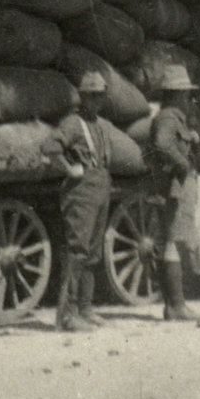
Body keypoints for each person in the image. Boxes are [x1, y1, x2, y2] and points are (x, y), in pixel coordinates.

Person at [42, 71, 115, 331]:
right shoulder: (73, 123)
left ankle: (85, 308)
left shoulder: (100, 124)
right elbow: (50, 147)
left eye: (100, 96)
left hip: (100, 188)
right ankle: (67, 315)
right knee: (77, 251)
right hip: (81, 192)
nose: (96, 100)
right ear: (83, 97)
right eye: (91, 96)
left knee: (93, 252)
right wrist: (69, 169)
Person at [146, 64, 200, 322]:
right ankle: (177, 306)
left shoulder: (172, 118)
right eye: (186, 94)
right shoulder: (169, 118)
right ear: (178, 94)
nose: (189, 99)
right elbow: (162, 143)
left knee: (170, 242)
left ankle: (172, 306)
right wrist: (182, 163)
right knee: (172, 243)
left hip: (170, 188)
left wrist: (191, 138)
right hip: (173, 190)